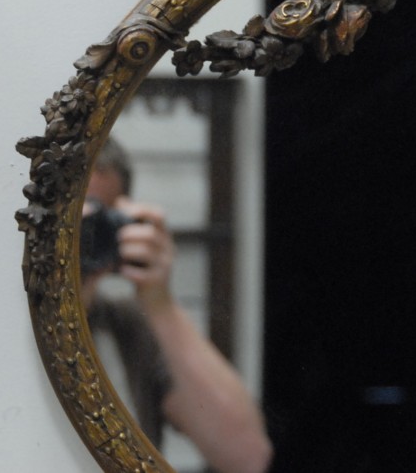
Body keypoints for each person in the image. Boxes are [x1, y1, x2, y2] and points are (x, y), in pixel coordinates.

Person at [80, 137, 273, 473]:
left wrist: (159, 302)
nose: (78, 235)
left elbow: (247, 457)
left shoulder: (129, 326)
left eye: (95, 221)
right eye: (67, 217)